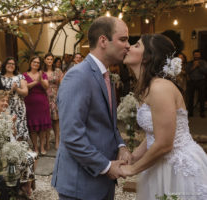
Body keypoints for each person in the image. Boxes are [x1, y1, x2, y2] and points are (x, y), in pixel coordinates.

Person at [52, 16, 131, 200]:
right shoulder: (78, 76)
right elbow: (71, 136)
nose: (128, 45)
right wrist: (106, 166)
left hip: (102, 183)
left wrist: (121, 145)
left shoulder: (105, 74)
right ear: (103, 41)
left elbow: (107, 123)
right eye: (123, 39)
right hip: (81, 185)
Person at [121, 34, 207, 199]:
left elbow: (164, 144)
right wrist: (133, 157)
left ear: (147, 57)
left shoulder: (160, 88)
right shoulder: (147, 86)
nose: (128, 47)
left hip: (177, 167)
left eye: (136, 45)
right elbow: (155, 133)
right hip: (158, 163)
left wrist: (132, 169)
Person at [0, 90, 35, 197]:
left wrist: (13, 124)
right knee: (27, 158)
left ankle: (25, 185)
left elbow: (13, 134)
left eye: (7, 100)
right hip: (1, 149)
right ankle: (22, 187)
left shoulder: (6, 114)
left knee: (31, 155)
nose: (5, 103)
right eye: (2, 100)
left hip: (11, 145)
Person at [23, 56, 52, 155]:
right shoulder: (24, 75)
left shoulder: (43, 74)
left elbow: (46, 86)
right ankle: (35, 147)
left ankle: (42, 146)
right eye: (34, 62)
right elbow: (25, 86)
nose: (36, 64)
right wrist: (36, 81)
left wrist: (40, 79)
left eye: (38, 63)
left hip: (42, 104)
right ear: (30, 63)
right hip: (30, 104)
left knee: (43, 127)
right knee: (32, 127)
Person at [0, 57, 29, 141]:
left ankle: (21, 150)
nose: (11, 65)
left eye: (13, 64)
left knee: (20, 128)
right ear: (5, 65)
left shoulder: (20, 77)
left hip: (19, 107)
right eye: (9, 63)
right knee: (8, 129)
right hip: (5, 107)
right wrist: (11, 90)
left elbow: (25, 92)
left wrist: (17, 89)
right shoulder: (0, 78)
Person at [43, 53, 63, 150]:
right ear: (44, 60)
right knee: (46, 121)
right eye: (48, 59)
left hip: (55, 97)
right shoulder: (41, 72)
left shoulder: (58, 71)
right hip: (44, 97)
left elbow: (62, 84)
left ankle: (57, 141)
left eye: (51, 59)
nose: (50, 61)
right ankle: (47, 142)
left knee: (56, 120)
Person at [186, 49, 207, 118]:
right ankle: (190, 112)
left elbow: (205, 72)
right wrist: (194, 67)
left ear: (200, 55)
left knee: (202, 98)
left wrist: (199, 66)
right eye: (195, 55)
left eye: (198, 55)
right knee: (190, 98)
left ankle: (202, 112)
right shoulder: (189, 63)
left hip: (201, 81)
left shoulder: (203, 62)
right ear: (193, 55)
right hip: (191, 82)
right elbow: (187, 71)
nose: (196, 56)